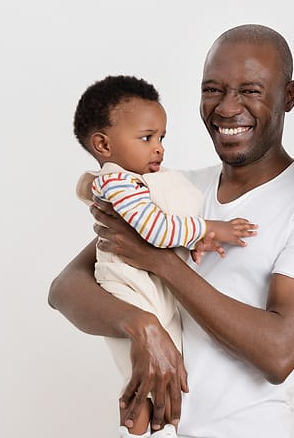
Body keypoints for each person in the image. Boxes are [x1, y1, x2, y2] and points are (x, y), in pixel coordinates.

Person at [48, 24, 294, 438]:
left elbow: (279, 353)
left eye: (250, 90)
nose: (227, 108)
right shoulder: (172, 187)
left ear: (289, 96)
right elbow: (66, 288)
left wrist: (161, 261)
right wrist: (141, 326)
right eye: (213, 90)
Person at [70, 74, 258, 437]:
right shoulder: (118, 183)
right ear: (103, 145)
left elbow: (161, 230)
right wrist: (210, 229)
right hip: (130, 292)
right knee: (142, 376)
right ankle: (135, 431)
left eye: (161, 138)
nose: (158, 149)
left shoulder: (135, 181)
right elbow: (156, 230)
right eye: (146, 138)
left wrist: (194, 242)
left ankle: (157, 429)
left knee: (167, 375)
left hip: (152, 293)